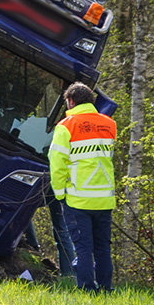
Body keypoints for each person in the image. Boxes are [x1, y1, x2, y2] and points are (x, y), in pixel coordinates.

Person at [48, 82, 116, 292]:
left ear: (70, 101)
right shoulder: (109, 124)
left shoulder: (65, 126)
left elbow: (57, 163)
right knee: (103, 247)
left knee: (84, 248)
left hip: (78, 199)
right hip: (104, 198)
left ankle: (87, 289)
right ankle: (106, 289)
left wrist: (60, 194)